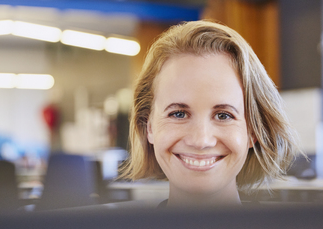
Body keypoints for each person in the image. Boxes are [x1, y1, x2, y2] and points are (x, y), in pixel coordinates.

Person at [119, 20, 300, 207]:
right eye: (178, 114)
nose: (201, 141)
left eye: (224, 115)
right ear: (148, 127)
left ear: (252, 131)